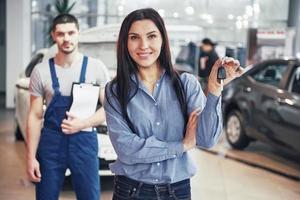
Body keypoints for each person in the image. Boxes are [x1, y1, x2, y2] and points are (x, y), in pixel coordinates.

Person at [104, 8, 243, 200]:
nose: (143, 45)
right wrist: (181, 145)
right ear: (125, 43)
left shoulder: (186, 84)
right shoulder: (115, 91)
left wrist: (214, 89)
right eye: (134, 37)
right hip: (131, 191)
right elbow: (126, 149)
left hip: (177, 191)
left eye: (151, 36)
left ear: (163, 39)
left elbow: (206, 139)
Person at [26, 13, 109, 200]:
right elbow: (35, 116)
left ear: (78, 33)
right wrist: (30, 157)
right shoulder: (41, 71)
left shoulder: (96, 68)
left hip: (84, 141)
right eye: (61, 34)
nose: (66, 38)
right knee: (45, 196)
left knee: (89, 196)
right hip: (51, 143)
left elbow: (110, 109)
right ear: (53, 36)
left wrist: (83, 123)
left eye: (71, 33)